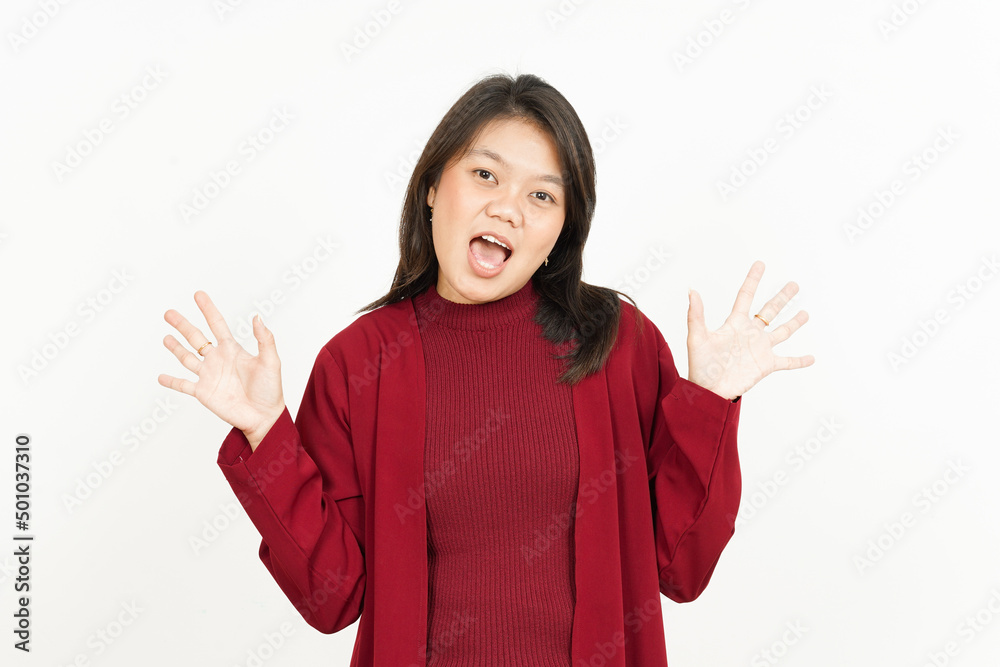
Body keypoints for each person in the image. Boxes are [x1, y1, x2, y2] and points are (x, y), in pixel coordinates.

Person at [158, 72, 813, 666]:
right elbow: (333, 597)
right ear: (432, 188)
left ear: (560, 231)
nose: (508, 208)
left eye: (542, 195)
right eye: (486, 175)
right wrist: (266, 434)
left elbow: (681, 567)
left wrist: (711, 402)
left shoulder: (617, 344)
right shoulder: (359, 362)